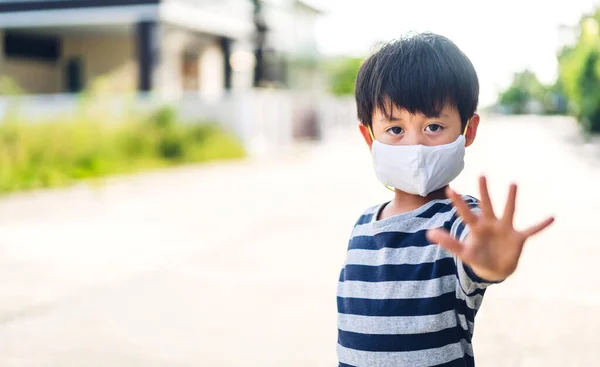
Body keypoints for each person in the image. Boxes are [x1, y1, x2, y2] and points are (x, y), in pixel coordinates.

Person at [336, 33, 554, 367]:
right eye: (395, 130)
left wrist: (491, 263)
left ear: (468, 131)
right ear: (369, 136)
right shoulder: (363, 225)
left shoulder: (461, 222)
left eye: (434, 126)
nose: (416, 145)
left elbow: (480, 261)